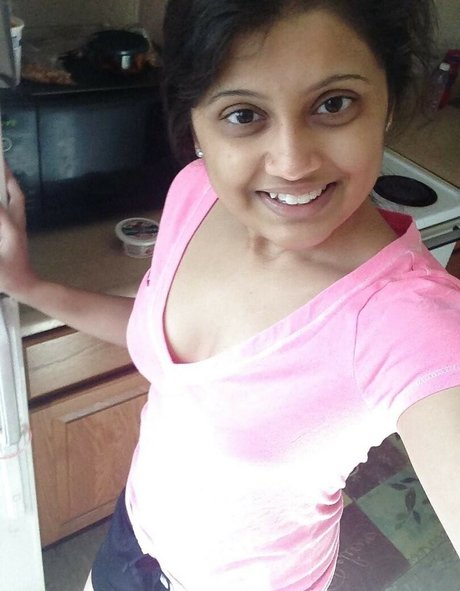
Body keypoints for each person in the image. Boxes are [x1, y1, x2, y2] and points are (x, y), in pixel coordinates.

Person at [1, 1, 460, 589]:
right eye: (243, 114)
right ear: (195, 122)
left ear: (388, 104)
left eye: (334, 103)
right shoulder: (195, 194)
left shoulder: (405, 318)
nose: (292, 163)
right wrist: (30, 285)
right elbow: (162, 337)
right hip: (131, 542)